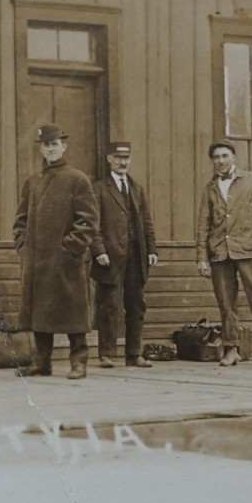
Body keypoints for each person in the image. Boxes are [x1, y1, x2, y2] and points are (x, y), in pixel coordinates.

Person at [13, 124, 100, 379]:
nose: (50, 149)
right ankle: (42, 363)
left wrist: (70, 248)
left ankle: (78, 362)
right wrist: (23, 246)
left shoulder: (77, 179)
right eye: (45, 145)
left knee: (74, 314)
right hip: (37, 263)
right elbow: (20, 220)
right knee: (40, 314)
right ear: (41, 149)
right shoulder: (33, 182)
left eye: (54, 144)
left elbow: (88, 221)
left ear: (64, 146)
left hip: (66, 261)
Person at [196, 141, 252, 369]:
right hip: (220, 253)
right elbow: (203, 225)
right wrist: (202, 257)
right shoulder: (210, 188)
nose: (221, 161)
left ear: (234, 157)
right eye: (216, 157)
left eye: (225, 156)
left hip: (248, 251)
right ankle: (230, 349)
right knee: (226, 304)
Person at [91, 141, 158, 368]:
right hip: (109, 256)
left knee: (136, 304)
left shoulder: (137, 188)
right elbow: (92, 224)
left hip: (135, 255)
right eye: (118, 158)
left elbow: (147, 222)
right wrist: (98, 250)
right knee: (108, 305)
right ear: (109, 159)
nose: (123, 162)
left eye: (126, 158)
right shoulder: (99, 188)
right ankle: (106, 354)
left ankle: (134, 354)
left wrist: (151, 250)